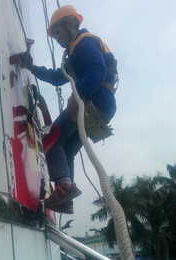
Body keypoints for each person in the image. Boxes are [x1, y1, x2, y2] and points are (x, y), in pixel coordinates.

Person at [22, 5, 117, 214]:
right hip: (102, 103)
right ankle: (65, 196)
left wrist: (78, 94)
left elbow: (97, 70)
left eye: (57, 31)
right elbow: (59, 77)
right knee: (65, 149)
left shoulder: (83, 43)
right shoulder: (74, 51)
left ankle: (64, 187)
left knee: (53, 136)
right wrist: (33, 68)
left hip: (95, 99)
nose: (56, 38)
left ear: (72, 23)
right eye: (54, 35)